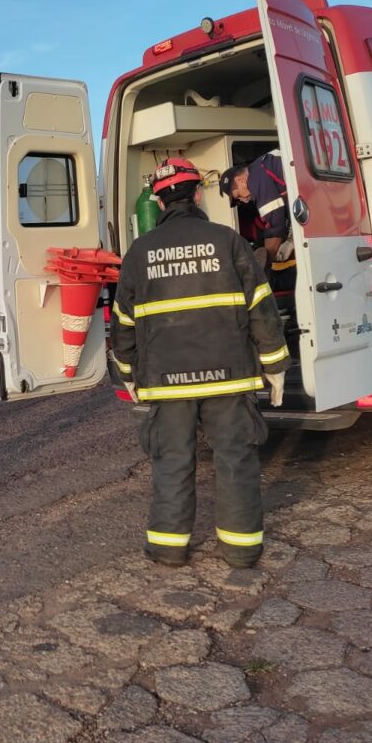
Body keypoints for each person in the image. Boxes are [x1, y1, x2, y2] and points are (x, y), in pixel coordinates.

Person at [110, 159, 290, 570]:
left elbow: (123, 323)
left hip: (168, 382)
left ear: (158, 202)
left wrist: (127, 372)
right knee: (235, 458)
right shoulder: (227, 241)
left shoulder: (139, 253)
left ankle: (168, 548)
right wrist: (275, 365)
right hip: (228, 377)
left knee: (171, 460)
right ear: (196, 194)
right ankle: (241, 551)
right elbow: (261, 308)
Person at [219, 151, 289, 263]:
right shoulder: (260, 167)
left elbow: (275, 227)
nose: (244, 200)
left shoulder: (256, 179)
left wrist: (262, 265)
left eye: (238, 196)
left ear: (241, 181)